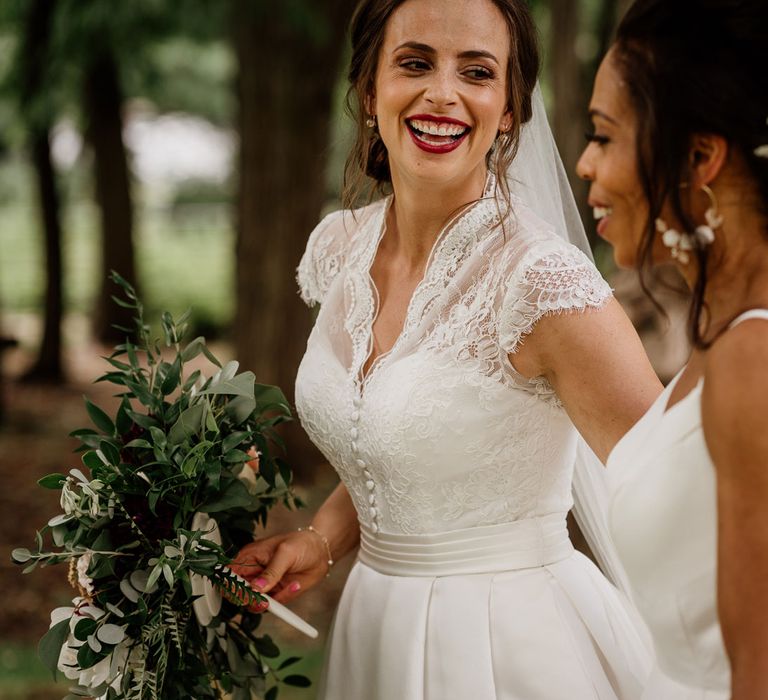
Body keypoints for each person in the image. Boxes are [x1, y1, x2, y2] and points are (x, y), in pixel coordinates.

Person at [233, 0, 663, 697]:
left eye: (477, 71)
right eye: (414, 63)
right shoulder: (340, 248)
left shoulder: (543, 285)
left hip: (509, 646)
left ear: (510, 108)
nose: (443, 93)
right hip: (375, 622)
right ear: (370, 92)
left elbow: (674, 491)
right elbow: (401, 449)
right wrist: (321, 540)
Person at [577, 1, 768, 698]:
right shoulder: (724, 334)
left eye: (603, 136)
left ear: (698, 157)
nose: (583, 162)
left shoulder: (753, 357)